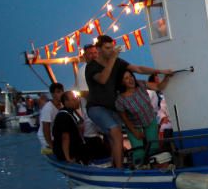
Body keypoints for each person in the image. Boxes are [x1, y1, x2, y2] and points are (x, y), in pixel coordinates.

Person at [86, 34, 173, 168]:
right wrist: (113, 58)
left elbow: (138, 69)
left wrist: (160, 71)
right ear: (99, 49)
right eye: (107, 48)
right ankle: (120, 170)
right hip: (96, 107)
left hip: (112, 107)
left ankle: (116, 165)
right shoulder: (92, 66)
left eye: (112, 48)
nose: (111, 51)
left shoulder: (118, 63)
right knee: (116, 133)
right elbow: (103, 79)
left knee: (115, 137)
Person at [115, 70, 171, 166]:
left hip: (150, 121)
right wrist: (134, 131)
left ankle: (156, 169)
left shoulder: (141, 84)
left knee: (154, 149)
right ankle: (140, 172)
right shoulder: (120, 99)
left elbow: (158, 87)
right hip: (134, 126)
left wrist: (167, 77)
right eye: (126, 78)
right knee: (139, 152)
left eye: (131, 76)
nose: (130, 79)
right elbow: (124, 119)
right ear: (122, 82)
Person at [51, 91, 90, 164]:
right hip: (69, 152)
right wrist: (67, 158)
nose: (77, 101)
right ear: (66, 102)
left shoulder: (72, 112)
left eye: (77, 99)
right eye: (74, 100)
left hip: (76, 147)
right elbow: (65, 137)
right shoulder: (63, 116)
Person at [37, 82, 63, 154]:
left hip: (56, 135)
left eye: (62, 91)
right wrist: (51, 145)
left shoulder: (62, 106)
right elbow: (46, 129)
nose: (61, 93)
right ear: (52, 94)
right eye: (58, 92)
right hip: (47, 138)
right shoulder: (48, 109)